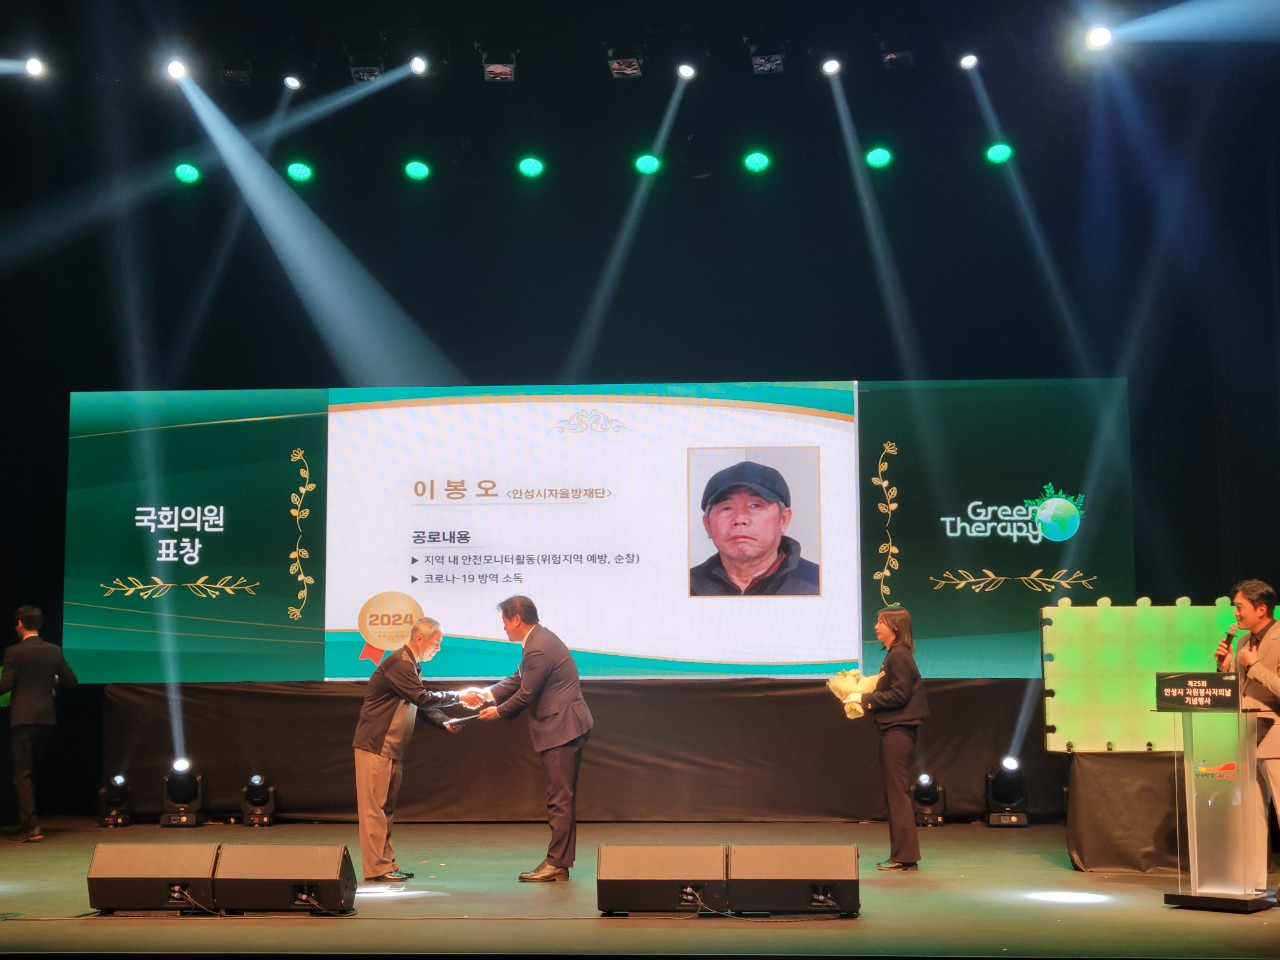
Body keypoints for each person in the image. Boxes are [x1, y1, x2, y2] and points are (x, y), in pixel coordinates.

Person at [461, 596, 593, 881]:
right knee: (561, 797)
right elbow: (519, 678)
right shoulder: (537, 641)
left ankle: (557, 863)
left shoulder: (539, 648)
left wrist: (498, 712)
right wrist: (487, 693)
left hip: (562, 727)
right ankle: (559, 862)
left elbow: (526, 693)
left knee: (559, 799)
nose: (504, 628)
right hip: (564, 725)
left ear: (517, 619)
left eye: (504, 621)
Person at [352, 616, 461, 882]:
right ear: (419, 639)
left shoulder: (411, 666)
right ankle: (377, 868)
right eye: (436, 643)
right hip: (376, 745)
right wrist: (459, 696)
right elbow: (421, 698)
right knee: (375, 810)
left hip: (391, 748)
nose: (438, 649)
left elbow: (418, 704)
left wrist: (444, 721)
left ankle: (386, 864)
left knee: (385, 808)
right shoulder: (399, 663)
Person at [845, 604, 929, 871]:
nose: (875, 627)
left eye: (880, 622)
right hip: (894, 728)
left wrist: (864, 698)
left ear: (894, 626)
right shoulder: (895, 655)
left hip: (899, 729)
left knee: (897, 793)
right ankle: (903, 854)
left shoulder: (899, 655)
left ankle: (904, 856)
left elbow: (899, 695)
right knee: (895, 792)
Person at [1214, 578, 1280, 893]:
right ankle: (1254, 884)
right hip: (1248, 736)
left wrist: (1253, 666)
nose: (1235, 613)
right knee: (1252, 815)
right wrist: (1224, 669)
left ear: (1261, 609)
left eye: (1239, 607)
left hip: (1276, 739)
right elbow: (1239, 692)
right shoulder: (1242, 643)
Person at [1, 605, 77, 843]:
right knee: (30, 772)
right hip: (46, 718)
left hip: (23, 718)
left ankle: (31, 826)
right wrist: (52, 682)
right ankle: (30, 820)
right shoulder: (53, 651)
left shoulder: (14, 652)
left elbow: (5, 685)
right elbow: (71, 681)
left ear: (20, 624)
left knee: (22, 775)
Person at [690, 460, 820, 596]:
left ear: (783, 520)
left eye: (755, 506)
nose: (739, 519)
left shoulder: (820, 583)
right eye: (726, 508)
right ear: (707, 525)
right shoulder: (685, 586)